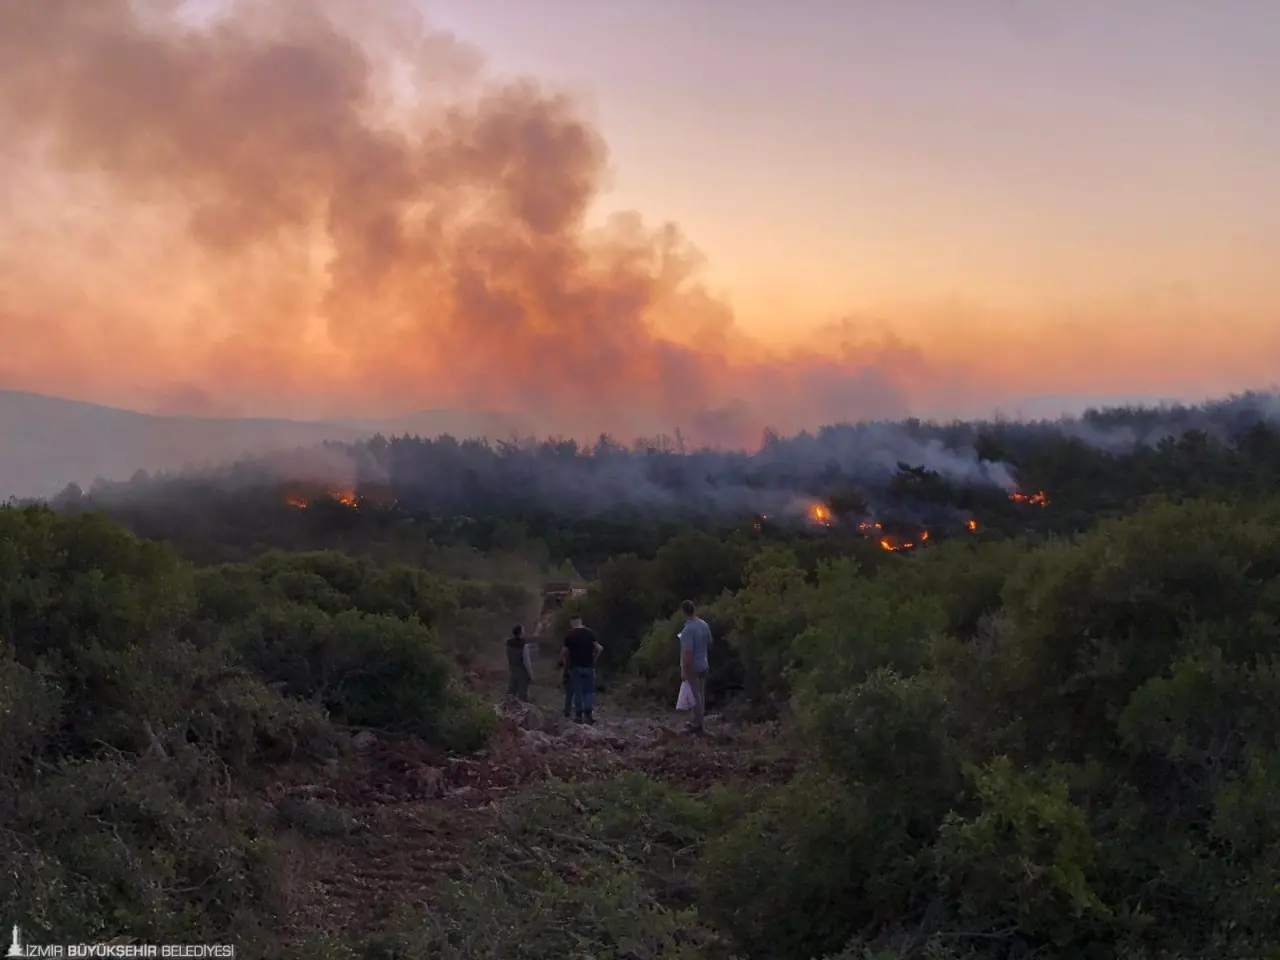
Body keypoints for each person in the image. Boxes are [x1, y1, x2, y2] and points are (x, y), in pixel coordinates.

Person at [559, 615, 602, 724]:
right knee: (589, 691)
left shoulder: (569, 635)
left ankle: (578, 715)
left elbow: (563, 652)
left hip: (575, 667)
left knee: (577, 691)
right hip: (589, 665)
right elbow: (599, 648)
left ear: (572, 623)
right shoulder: (589, 633)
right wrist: (594, 659)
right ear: (580, 622)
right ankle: (588, 714)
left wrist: (565, 664)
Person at [678, 600, 711, 733]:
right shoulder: (704, 625)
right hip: (704, 663)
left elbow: (688, 653)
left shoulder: (687, 630)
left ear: (683, 612)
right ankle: (698, 720)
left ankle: (697, 723)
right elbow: (710, 641)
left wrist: (685, 670)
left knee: (695, 694)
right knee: (700, 694)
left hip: (693, 667)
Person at [505, 624, 533, 702]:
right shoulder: (524, 645)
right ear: (521, 633)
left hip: (512, 670)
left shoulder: (509, 643)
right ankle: (523, 712)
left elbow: (508, 656)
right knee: (522, 695)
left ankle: (508, 711)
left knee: (511, 694)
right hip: (522, 672)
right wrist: (530, 674)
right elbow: (526, 662)